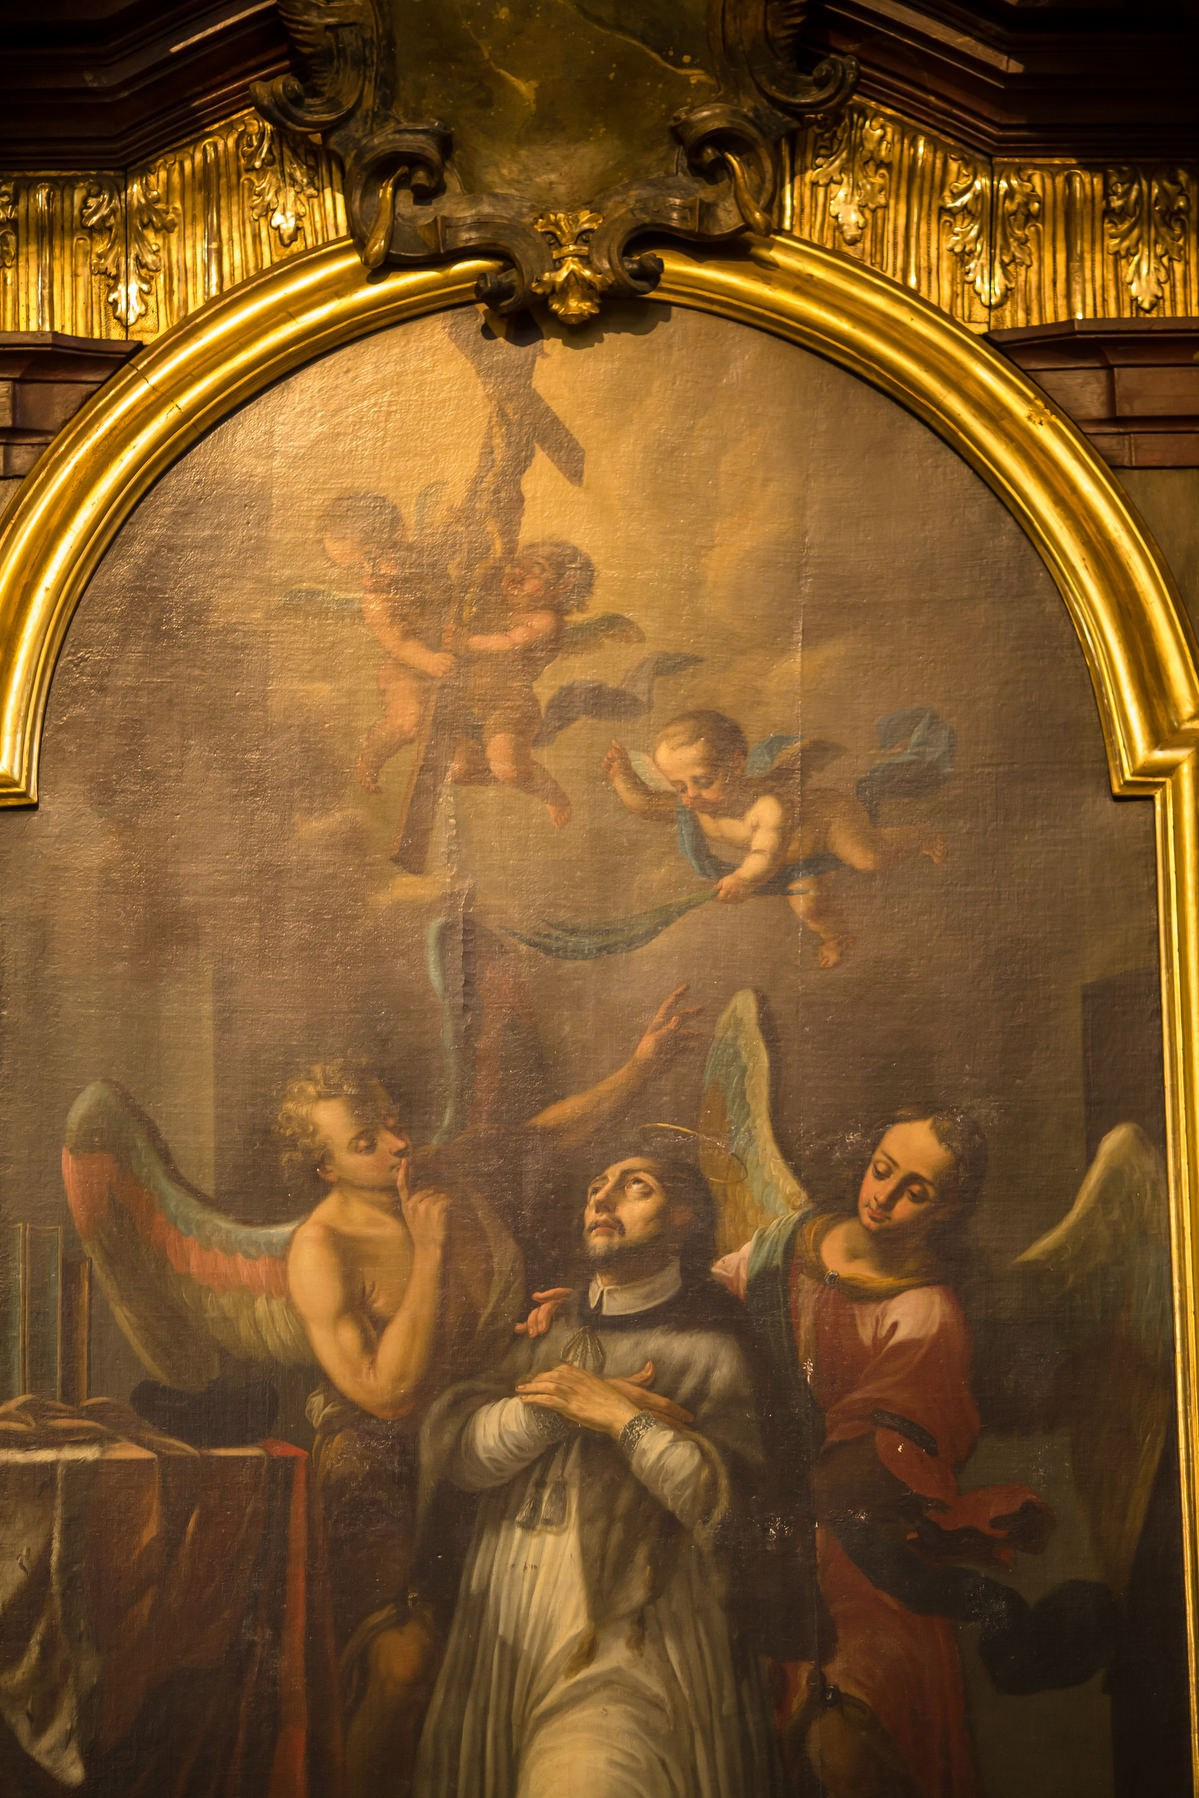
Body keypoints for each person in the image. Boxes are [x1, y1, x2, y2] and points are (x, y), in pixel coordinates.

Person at [281, 986, 698, 1796]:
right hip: (384, 1467)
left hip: (493, 1433)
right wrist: (431, 1248)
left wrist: (640, 1065)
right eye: (368, 1142)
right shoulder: (321, 1246)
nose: (400, 1146)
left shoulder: (435, 1167)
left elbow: (549, 1131)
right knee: (406, 1665)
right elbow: (391, 1394)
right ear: (325, 1166)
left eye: (394, 1121)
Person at [413, 1147, 797, 1798]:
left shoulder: (714, 1351)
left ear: (681, 1217)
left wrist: (621, 1418)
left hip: (631, 1633)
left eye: (635, 1187)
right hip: (507, 1629)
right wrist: (560, 1409)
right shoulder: (540, 1330)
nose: (603, 1197)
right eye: (597, 1186)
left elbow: (729, 1509)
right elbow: (459, 1459)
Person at [712, 1107, 1052, 1798]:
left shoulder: (926, 1314)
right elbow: (697, 1314)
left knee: (844, 1737)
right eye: (883, 1170)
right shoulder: (784, 1243)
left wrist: (764, 1504)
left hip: (862, 1556)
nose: (885, 1197)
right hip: (761, 1523)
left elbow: (869, 1468)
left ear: (947, 1210)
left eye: (915, 1192)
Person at [603, 709, 946, 967]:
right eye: (679, 786)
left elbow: (766, 854)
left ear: (736, 765)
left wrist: (742, 878)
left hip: (827, 823)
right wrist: (621, 777)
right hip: (795, 859)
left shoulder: (767, 806)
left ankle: (920, 835)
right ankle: (838, 936)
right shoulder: (694, 805)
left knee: (870, 858)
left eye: (703, 780)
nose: (690, 795)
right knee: (810, 908)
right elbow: (648, 804)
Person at [451, 538, 595, 829]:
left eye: (535, 571)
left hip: (509, 706)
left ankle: (546, 790)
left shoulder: (546, 620)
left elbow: (511, 642)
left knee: (508, 767)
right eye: (518, 566)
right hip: (467, 703)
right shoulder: (498, 604)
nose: (518, 574)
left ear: (562, 587)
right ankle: (499, 766)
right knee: (456, 770)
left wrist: (466, 643)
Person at [320, 489, 456, 795]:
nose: (367, 577)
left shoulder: (424, 555)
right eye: (355, 571)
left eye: (371, 559)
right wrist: (428, 661)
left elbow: (452, 538)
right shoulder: (376, 602)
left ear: (399, 534)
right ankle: (371, 756)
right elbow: (399, 645)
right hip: (407, 666)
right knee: (408, 722)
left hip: (447, 651)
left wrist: (454, 522)